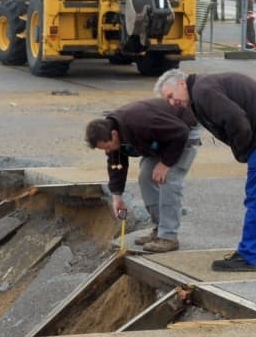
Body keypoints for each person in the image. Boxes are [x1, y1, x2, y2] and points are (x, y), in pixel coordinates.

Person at [154, 70, 256, 272]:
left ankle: (248, 255)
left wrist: (243, 151)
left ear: (182, 84)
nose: (172, 102)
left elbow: (236, 119)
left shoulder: (203, 91)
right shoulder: (203, 87)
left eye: (171, 96)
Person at [85, 98, 200, 253]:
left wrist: (166, 164)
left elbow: (180, 132)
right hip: (162, 139)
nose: (107, 151)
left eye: (106, 147)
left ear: (113, 134)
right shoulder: (113, 131)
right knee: (145, 177)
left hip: (182, 131)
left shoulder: (140, 122)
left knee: (168, 178)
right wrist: (117, 196)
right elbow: (117, 166)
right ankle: (160, 229)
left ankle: (169, 237)